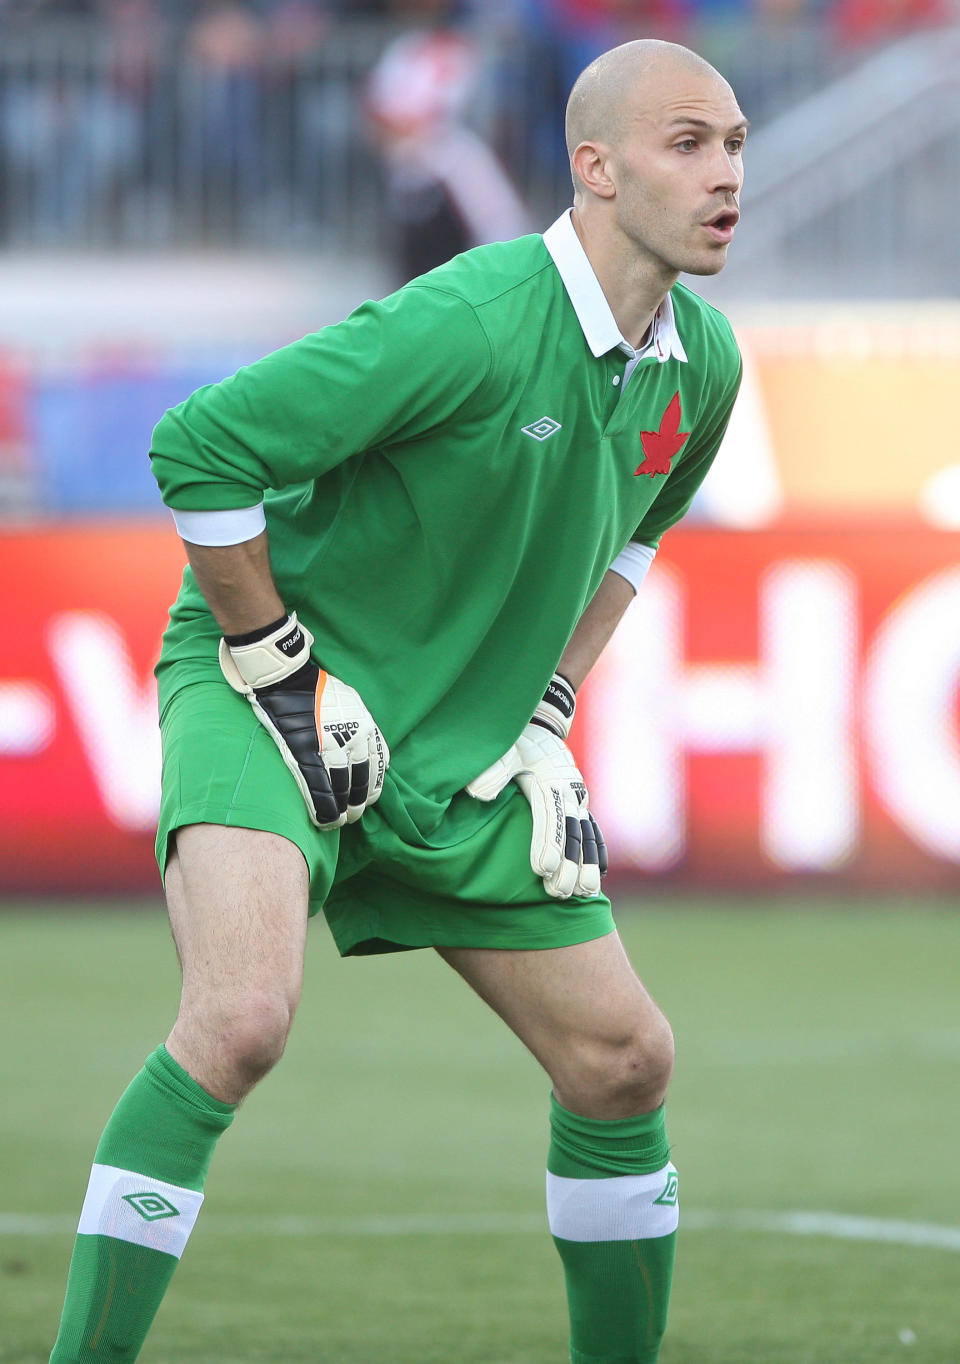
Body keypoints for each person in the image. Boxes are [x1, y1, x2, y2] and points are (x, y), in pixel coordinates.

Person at [49, 37, 746, 1364]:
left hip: (464, 747)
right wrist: (282, 668)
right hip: (270, 691)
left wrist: (546, 714)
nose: (725, 177)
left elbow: (630, 548)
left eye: (735, 146)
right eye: (688, 144)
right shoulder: (473, 318)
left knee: (624, 1062)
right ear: (594, 169)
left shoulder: (702, 368)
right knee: (242, 1019)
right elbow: (199, 447)